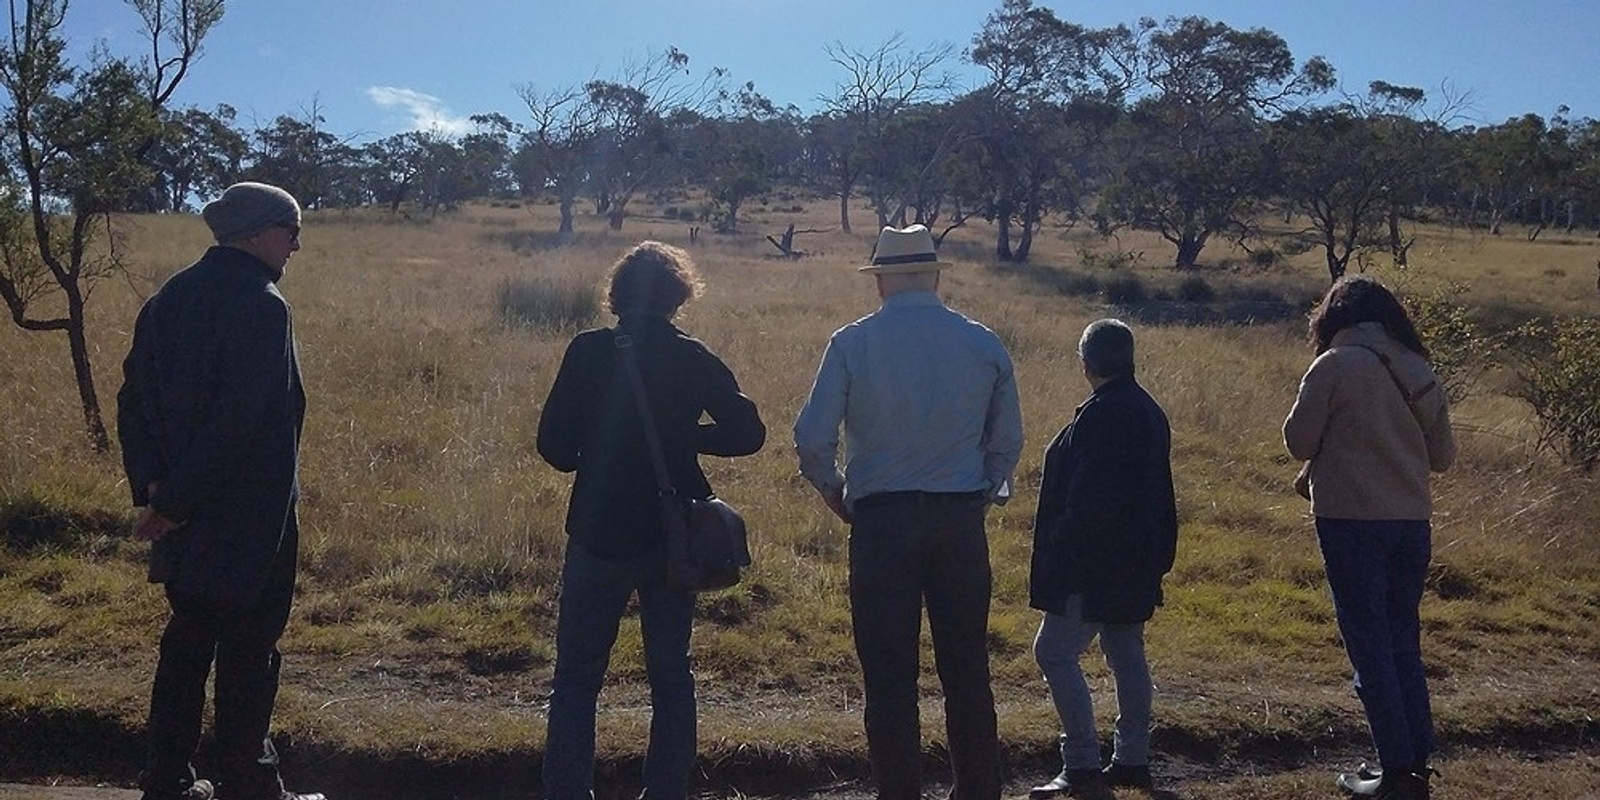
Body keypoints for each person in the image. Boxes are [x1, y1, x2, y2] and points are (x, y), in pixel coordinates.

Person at [793, 224, 1024, 800]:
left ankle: (899, 792)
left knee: (889, 677)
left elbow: (812, 437)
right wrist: (982, 491)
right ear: (937, 276)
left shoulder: (852, 343)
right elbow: (1008, 441)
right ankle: (978, 789)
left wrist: (835, 492)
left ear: (881, 282)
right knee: (968, 670)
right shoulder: (983, 343)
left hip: (882, 525)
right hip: (958, 521)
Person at [537, 241, 766, 800]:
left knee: (575, 678)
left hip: (597, 528)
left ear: (617, 292)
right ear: (677, 295)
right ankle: (664, 791)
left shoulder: (588, 350)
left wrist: (598, 451)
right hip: (673, 534)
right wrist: (687, 439)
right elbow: (748, 433)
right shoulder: (692, 354)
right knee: (670, 673)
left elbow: (555, 448)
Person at [116, 182, 323, 800]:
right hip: (249, 520)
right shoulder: (264, 304)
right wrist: (176, 501)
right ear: (258, 233)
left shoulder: (168, 298)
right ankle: (250, 784)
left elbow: (133, 401)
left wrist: (157, 491)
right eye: (291, 231)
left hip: (180, 512)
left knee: (185, 644)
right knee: (249, 652)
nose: (295, 245)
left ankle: (166, 780)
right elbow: (242, 423)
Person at [1284, 276, 1456, 800]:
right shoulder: (1416, 366)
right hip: (1412, 523)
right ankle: (1414, 760)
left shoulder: (1333, 365)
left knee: (1370, 646)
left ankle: (1396, 771)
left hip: (1350, 523)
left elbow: (1297, 443)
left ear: (1333, 318)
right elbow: (1443, 458)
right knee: (1402, 639)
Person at [1025, 319, 1177, 798]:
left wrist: (1060, 556)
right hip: (1136, 560)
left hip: (1093, 567)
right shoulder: (1148, 409)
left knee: (1052, 651)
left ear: (1085, 362)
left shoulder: (1102, 414)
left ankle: (1082, 762)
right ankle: (1131, 758)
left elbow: (1089, 502)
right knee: (1125, 650)